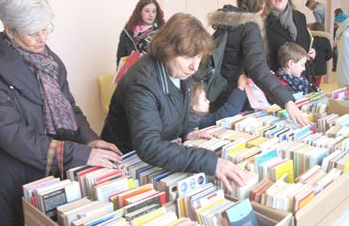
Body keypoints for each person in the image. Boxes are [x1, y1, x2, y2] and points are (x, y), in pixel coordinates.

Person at [0, 0, 122, 226]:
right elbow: (13, 137)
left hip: (60, 172)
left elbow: (70, 108)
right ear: (9, 30)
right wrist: (82, 155)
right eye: (32, 33)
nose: (42, 38)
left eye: (46, 28)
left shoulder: (49, 61)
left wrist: (89, 140)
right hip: (21, 178)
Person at [101, 13, 247, 192]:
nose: (194, 67)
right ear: (166, 49)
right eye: (187, 57)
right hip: (126, 164)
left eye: (199, 57)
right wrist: (210, 162)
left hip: (152, 159)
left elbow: (175, 109)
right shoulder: (142, 82)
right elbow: (149, 146)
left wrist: (186, 132)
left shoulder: (178, 70)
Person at [207, 0, 310, 126]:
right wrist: (287, 101)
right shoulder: (249, 27)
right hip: (237, 93)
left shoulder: (226, 24)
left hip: (219, 93)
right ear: (262, 5)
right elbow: (258, 69)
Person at [265, 0, 316, 75]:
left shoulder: (300, 17)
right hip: (280, 79)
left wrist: (312, 50)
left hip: (303, 75)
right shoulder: (264, 22)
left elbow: (307, 40)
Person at [116, 0, 165, 66]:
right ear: (139, 12)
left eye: (154, 11)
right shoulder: (127, 32)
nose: (151, 15)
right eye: (147, 11)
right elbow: (120, 58)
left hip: (155, 73)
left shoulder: (163, 31)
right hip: (133, 73)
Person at [309, 22, 334, 87]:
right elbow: (330, 54)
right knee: (317, 85)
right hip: (321, 67)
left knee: (308, 85)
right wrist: (323, 59)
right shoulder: (326, 40)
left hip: (309, 67)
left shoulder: (309, 38)